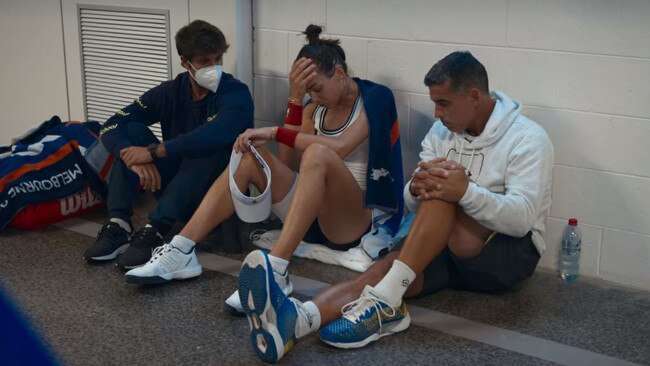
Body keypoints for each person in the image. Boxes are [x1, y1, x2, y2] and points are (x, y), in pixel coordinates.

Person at [237, 51, 554, 362]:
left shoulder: (528, 138)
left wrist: (465, 191)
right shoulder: (440, 133)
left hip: (505, 255)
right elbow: (412, 203)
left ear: (473, 96)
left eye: (444, 103)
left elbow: (522, 219)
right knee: (380, 272)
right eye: (434, 103)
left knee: (443, 193)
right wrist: (414, 189)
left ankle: (385, 303)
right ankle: (299, 319)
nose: (437, 113)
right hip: (444, 246)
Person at [123, 24, 404, 308]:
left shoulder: (375, 97)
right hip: (312, 216)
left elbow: (340, 146)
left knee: (317, 153)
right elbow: (287, 164)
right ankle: (181, 250)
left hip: (351, 222)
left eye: (317, 89)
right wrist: (295, 99)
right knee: (249, 154)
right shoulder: (313, 108)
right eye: (309, 92)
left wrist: (273, 132)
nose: (315, 98)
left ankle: (276, 271)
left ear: (340, 74)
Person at [83, 20, 254, 270]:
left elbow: (216, 133)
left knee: (205, 146)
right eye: (205, 61)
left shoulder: (235, 93)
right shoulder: (170, 92)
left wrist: (154, 152)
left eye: (218, 59)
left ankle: (156, 230)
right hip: (177, 187)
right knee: (131, 132)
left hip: (216, 195)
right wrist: (130, 157)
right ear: (186, 63)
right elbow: (112, 124)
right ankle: (118, 224)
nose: (214, 67)